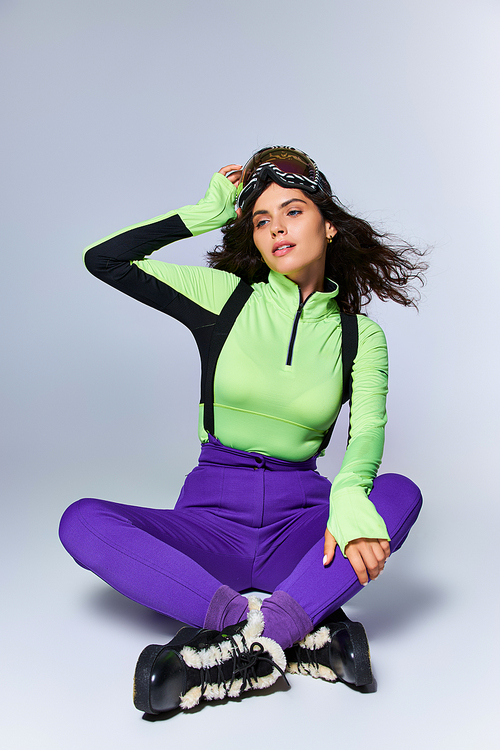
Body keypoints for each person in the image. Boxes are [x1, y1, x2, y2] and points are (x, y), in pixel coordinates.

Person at [59, 146, 425, 714]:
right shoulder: (226, 300)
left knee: (400, 493)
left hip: (304, 529)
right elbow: (104, 260)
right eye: (261, 219)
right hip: (210, 530)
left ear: (328, 225)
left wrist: (351, 497)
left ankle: (234, 652)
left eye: (293, 211)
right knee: (82, 521)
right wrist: (204, 213)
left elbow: (367, 435)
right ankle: (281, 628)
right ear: (250, 235)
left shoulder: (361, 337)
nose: (277, 228)